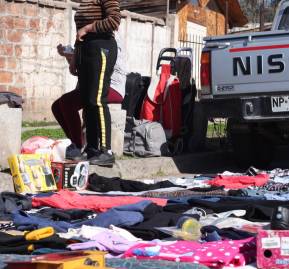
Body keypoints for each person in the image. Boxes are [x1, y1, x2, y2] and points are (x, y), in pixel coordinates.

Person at [52, 32, 126, 163]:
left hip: (110, 85)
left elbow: (100, 68)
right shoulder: (88, 39)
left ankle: (79, 145)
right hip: (93, 83)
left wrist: (74, 57)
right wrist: (71, 58)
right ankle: (78, 144)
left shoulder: (107, 37)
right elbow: (84, 69)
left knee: (67, 102)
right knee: (57, 106)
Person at [73, 0, 121, 166]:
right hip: (86, 50)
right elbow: (79, 34)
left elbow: (114, 21)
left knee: (97, 99)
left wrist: (88, 28)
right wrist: (74, 58)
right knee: (87, 102)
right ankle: (92, 149)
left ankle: (106, 150)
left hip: (102, 48)